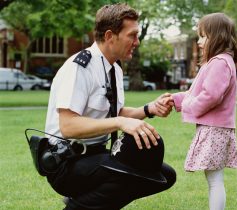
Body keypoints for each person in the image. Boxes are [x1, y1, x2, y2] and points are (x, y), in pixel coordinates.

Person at [44, 3, 176, 210]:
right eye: (132, 35)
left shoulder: (114, 68)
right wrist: (121, 122)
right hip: (65, 162)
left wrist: (149, 109)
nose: (137, 42)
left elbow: (115, 113)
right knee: (129, 175)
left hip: (94, 155)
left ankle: (85, 204)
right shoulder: (80, 68)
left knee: (164, 176)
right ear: (109, 36)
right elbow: (68, 126)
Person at [163, 13, 237, 210]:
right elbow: (196, 92)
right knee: (214, 178)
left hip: (215, 129)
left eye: (203, 36)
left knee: (215, 180)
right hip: (216, 128)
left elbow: (211, 95)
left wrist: (189, 106)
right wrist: (176, 99)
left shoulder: (220, 63)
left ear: (218, 37)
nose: (199, 41)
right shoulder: (218, 62)